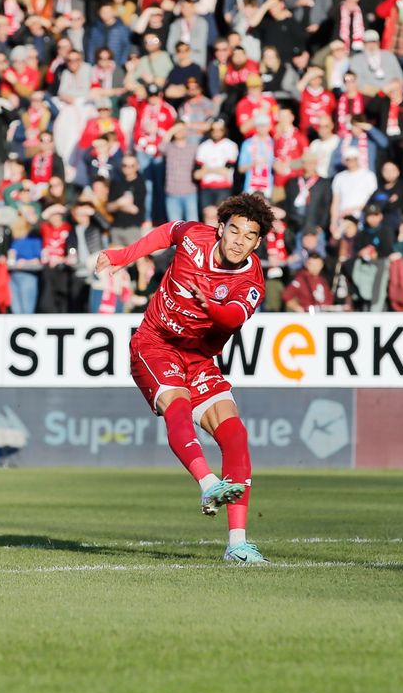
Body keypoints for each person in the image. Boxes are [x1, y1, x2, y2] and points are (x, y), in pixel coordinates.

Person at [95, 194, 274, 563]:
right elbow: (166, 233)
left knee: (235, 434)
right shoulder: (195, 236)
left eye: (249, 236)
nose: (239, 241)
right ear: (220, 229)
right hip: (155, 343)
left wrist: (211, 305)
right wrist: (121, 256)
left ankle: (237, 545)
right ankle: (208, 484)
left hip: (200, 359)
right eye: (234, 230)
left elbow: (233, 319)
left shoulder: (251, 279)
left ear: (258, 242)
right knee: (177, 406)